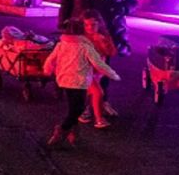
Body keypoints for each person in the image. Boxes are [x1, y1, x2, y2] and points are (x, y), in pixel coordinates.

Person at [42, 18, 120, 149]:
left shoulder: (61, 45)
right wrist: (113, 75)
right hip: (80, 81)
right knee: (78, 108)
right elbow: (98, 63)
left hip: (65, 80)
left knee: (74, 107)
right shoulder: (85, 46)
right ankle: (61, 130)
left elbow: (51, 59)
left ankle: (74, 133)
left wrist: (47, 69)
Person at [78, 9, 119, 128]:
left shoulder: (103, 36)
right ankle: (98, 119)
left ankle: (85, 110)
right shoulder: (81, 37)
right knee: (97, 92)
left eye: (93, 24)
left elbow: (111, 52)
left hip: (98, 71)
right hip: (84, 70)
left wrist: (103, 41)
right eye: (86, 25)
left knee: (89, 92)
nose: (90, 27)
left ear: (99, 24)